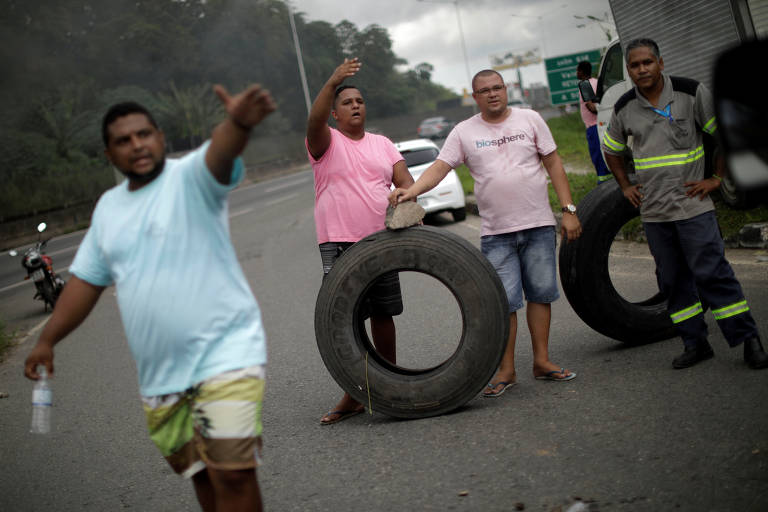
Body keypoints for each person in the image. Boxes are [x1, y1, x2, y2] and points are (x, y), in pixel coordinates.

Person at [23, 84, 277, 511]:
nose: (136, 144)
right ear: (109, 155)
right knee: (205, 483)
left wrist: (238, 124)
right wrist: (47, 340)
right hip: (160, 378)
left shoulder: (192, 176)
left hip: (226, 354)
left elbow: (221, 153)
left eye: (144, 134)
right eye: (123, 140)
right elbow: (86, 282)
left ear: (160, 137)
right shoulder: (108, 210)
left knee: (233, 474)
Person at [390, 69, 582, 397]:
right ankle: (506, 370)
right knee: (503, 302)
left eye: (497, 88)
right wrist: (413, 191)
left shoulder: (531, 119)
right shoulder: (464, 131)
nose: (492, 94)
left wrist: (568, 210)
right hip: (497, 233)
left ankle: (542, 361)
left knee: (541, 294)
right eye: (484, 90)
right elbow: (440, 167)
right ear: (475, 98)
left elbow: (554, 163)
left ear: (505, 90)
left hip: (537, 224)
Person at [601, 38, 767, 370]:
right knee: (672, 281)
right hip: (654, 213)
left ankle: (749, 341)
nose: (642, 69)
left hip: (693, 207)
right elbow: (611, 149)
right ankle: (695, 343)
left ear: (660, 63)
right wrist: (624, 186)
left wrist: (717, 179)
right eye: (634, 65)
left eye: (647, 62)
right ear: (630, 71)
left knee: (714, 274)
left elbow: (723, 135)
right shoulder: (623, 107)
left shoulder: (691, 93)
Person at [307, 58, 415, 423]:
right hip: (339, 243)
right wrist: (333, 79)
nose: (355, 105)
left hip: (380, 241)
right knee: (346, 319)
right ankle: (353, 393)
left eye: (360, 101)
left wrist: (405, 195)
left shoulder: (383, 144)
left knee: (384, 315)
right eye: (347, 102)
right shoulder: (325, 141)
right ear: (335, 114)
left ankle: (390, 386)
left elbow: (406, 183)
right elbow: (313, 119)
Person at [576, 60, 612, 184]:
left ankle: (604, 183)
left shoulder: (584, 85)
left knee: (598, 156)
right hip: (605, 124)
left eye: (577, 70)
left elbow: (591, 107)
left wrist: (600, 112)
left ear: (581, 72)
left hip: (594, 127)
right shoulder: (597, 82)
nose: (577, 73)